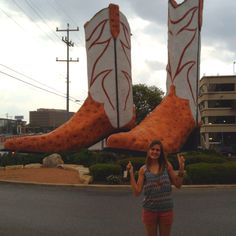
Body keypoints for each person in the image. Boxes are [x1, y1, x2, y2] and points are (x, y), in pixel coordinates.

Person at [126, 140, 185, 236]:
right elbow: (137, 192)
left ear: (161, 153)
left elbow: (178, 185)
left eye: (158, 150)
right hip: (150, 210)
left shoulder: (167, 166)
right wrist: (131, 173)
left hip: (166, 210)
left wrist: (181, 167)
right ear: (148, 151)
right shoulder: (143, 169)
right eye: (152, 149)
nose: (155, 152)